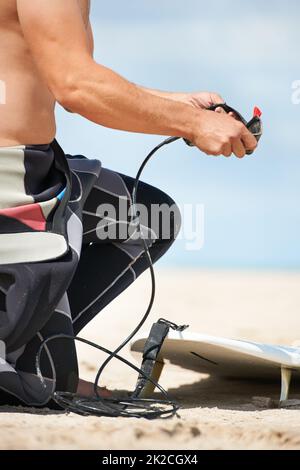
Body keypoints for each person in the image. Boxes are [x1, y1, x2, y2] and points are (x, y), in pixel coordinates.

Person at [0, 0, 257, 407]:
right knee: (50, 384)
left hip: (36, 165)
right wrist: (192, 124)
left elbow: (59, 71)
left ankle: (28, 342)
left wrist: (181, 106)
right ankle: (21, 349)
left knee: (148, 217)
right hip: (12, 182)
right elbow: (75, 86)